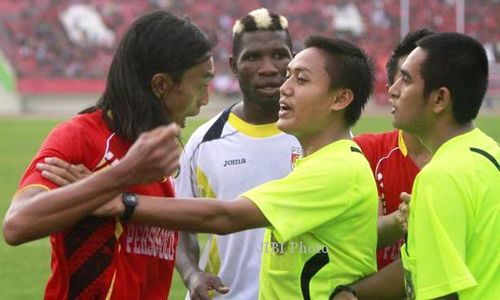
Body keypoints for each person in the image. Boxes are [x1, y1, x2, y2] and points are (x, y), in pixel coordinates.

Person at [2, 10, 215, 299]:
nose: (205, 99)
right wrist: (120, 176)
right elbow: (17, 224)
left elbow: (156, 235)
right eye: (201, 84)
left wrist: (191, 274)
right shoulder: (83, 137)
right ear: (161, 84)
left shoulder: (156, 156)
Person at [340, 33, 499, 299]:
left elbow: (441, 292)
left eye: (407, 80)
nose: (392, 90)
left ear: (440, 99)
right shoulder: (490, 154)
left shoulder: (438, 177)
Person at [174, 8, 300, 300]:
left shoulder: (321, 138)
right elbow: (178, 227)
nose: (268, 67)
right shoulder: (204, 143)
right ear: (233, 65)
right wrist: (192, 274)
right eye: (253, 57)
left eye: (279, 55)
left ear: (294, 60)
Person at [353, 28, 434, 271]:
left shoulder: (474, 162)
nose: (396, 90)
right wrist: (402, 219)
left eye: (410, 80)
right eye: (400, 79)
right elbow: (352, 238)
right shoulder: (366, 152)